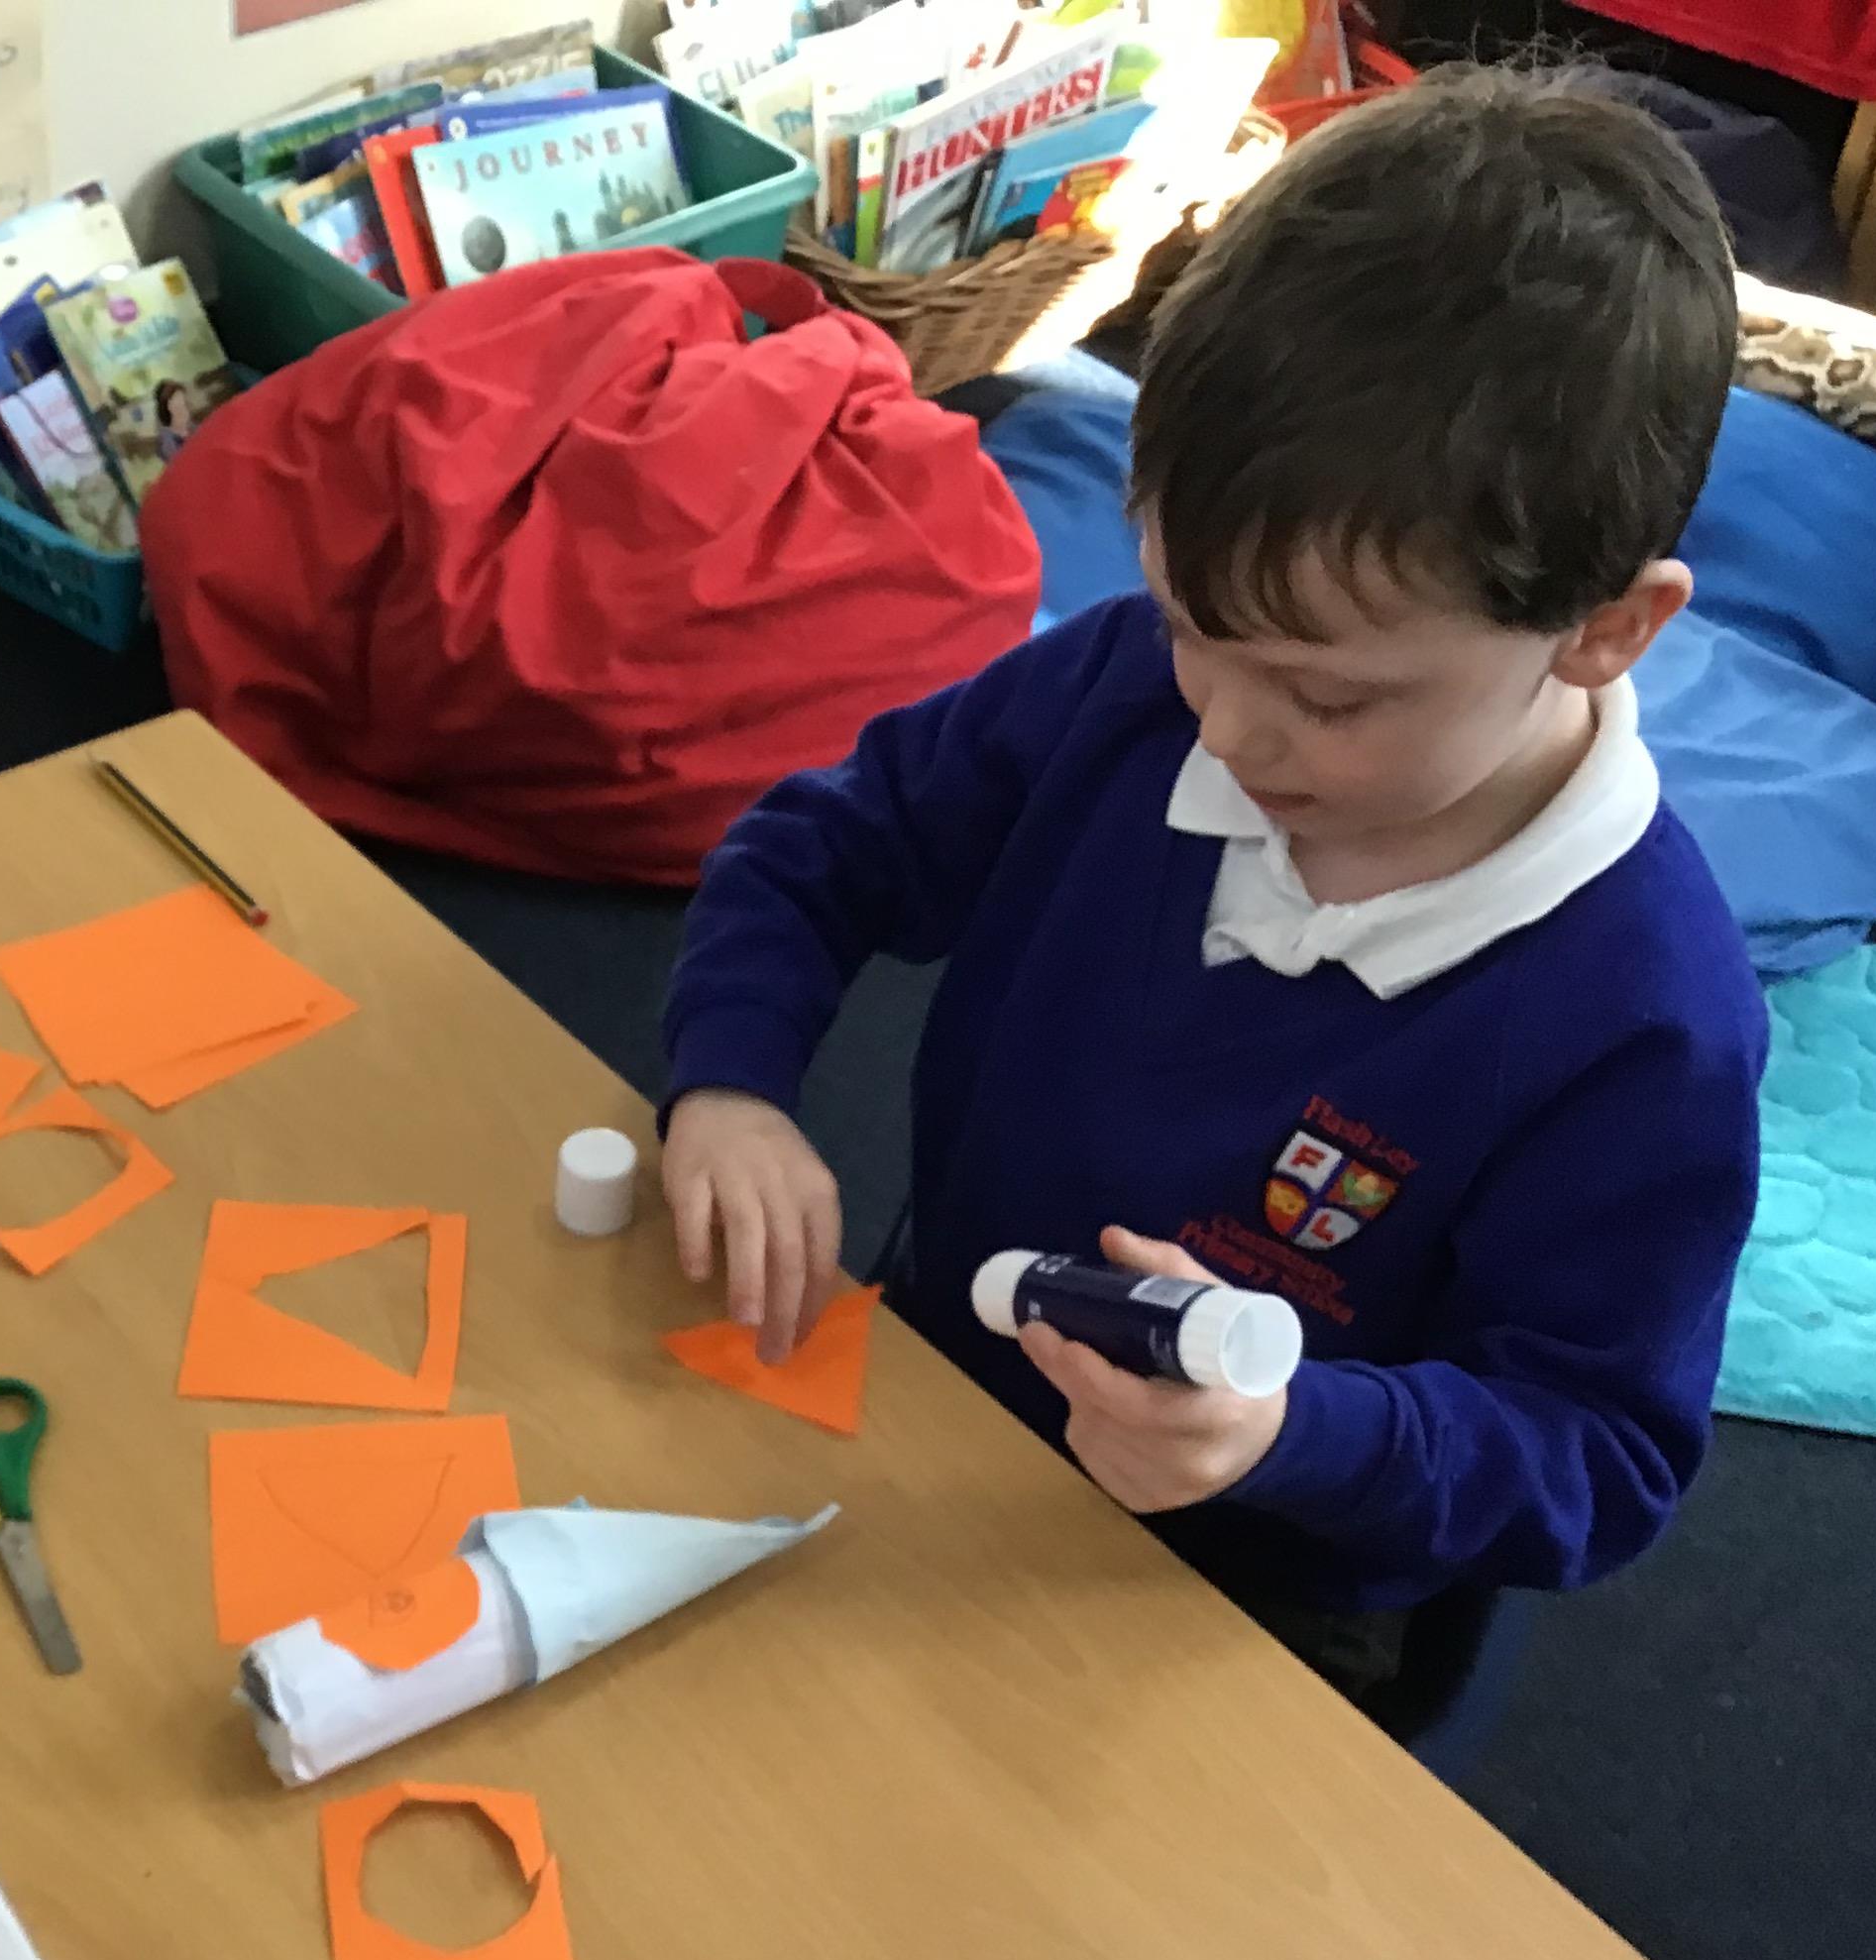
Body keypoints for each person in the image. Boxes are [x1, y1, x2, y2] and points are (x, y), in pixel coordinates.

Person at [658, 68, 1764, 1717]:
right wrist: (731, 1084)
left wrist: (1287, 1429)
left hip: (1265, 1587)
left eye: (1326, 697)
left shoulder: (1641, 1021)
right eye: (1189, 623)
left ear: (1605, 629)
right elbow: (819, 849)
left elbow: (1592, 1453)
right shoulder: (1126, 692)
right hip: (947, 1396)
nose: (1229, 729)